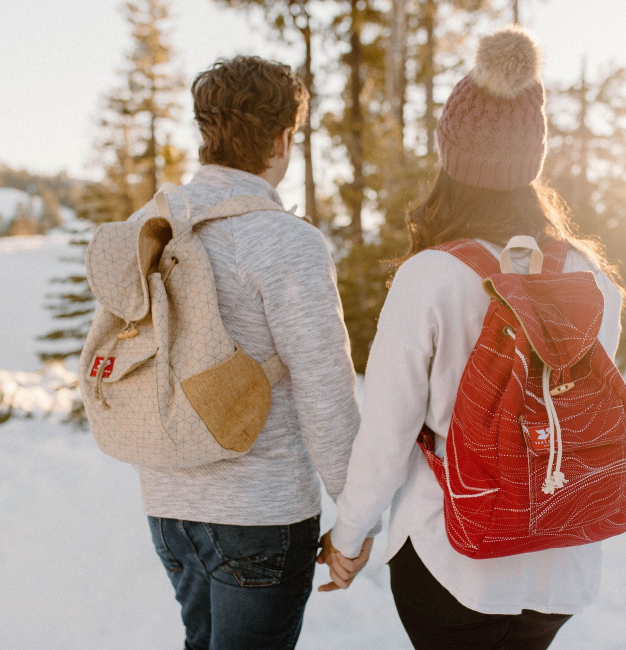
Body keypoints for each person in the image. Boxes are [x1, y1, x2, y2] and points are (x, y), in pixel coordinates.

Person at [316, 27, 626, 650]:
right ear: (530, 161)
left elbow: (387, 431)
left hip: (453, 558)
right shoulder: (592, 279)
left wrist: (347, 538)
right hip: (559, 559)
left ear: (451, 159)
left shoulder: (431, 276)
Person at [141, 56, 362, 650]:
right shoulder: (285, 241)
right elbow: (324, 387)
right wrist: (358, 513)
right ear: (285, 137)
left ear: (206, 131)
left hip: (168, 505)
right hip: (259, 514)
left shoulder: (155, 227)